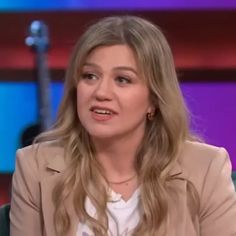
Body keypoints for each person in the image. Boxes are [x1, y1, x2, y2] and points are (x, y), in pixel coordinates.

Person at [10, 15, 236, 236]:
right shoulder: (35, 167)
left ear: (154, 99)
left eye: (122, 79)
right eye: (90, 76)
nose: (101, 92)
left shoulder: (206, 169)